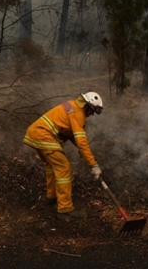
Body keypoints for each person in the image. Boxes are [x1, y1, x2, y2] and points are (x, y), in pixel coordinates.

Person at [22, 92, 103, 220]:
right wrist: (94, 165)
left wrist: (83, 153)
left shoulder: (72, 106)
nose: (92, 114)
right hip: (45, 136)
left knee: (51, 165)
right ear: (86, 106)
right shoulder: (78, 114)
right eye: (92, 111)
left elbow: (70, 134)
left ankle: (52, 197)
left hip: (35, 132)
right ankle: (65, 210)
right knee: (64, 168)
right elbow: (81, 142)